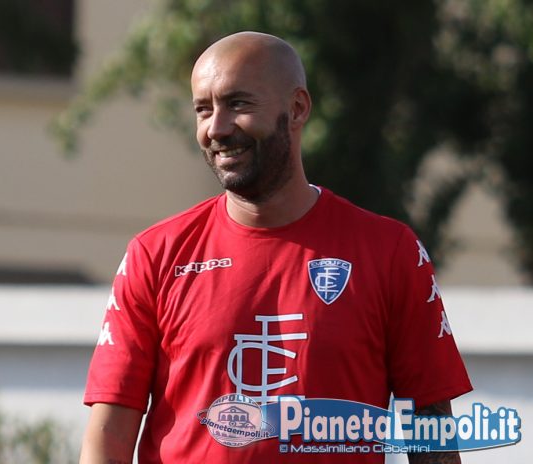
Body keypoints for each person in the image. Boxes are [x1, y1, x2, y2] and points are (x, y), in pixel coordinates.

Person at [80, 31, 472, 464]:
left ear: (297, 108)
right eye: (203, 110)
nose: (217, 128)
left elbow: (432, 438)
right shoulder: (155, 255)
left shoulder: (389, 251)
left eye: (238, 104)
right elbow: (108, 440)